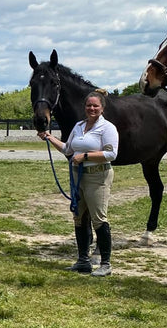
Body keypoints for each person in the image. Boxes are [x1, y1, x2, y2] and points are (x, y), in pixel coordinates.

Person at [42, 90, 119, 276]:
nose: (91, 108)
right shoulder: (78, 126)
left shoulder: (107, 128)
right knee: (79, 217)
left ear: (102, 108)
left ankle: (105, 263)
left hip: (97, 176)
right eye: (88, 105)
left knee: (99, 218)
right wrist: (49, 137)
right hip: (78, 176)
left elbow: (111, 154)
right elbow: (68, 149)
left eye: (95, 106)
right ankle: (83, 260)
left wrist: (85, 156)